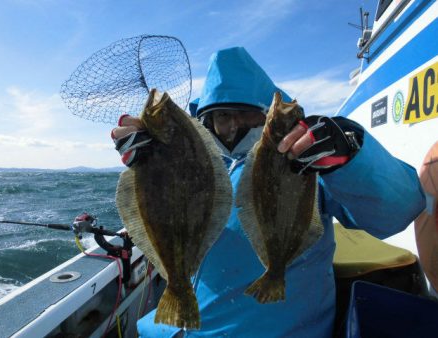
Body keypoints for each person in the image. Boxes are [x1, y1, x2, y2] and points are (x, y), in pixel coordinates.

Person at [111, 47, 425, 337]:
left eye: (247, 114)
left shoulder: (306, 160)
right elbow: (157, 213)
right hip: (169, 328)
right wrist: (149, 166)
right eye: (222, 116)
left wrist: (351, 156)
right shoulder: (191, 161)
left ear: (266, 114)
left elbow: (399, 210)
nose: (234, 126)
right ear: (205, 121)